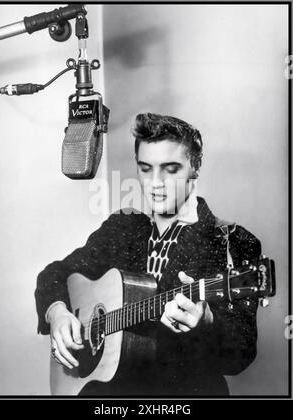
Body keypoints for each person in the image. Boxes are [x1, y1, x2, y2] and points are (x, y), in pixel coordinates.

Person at [35, 113, 261, 396]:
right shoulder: (122, 227)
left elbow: (241, 352)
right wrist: (57, 313)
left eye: (170, 169)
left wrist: (207, 323)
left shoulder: (231, 240)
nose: (156, 183)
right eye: (145, 168)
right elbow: (54, 274)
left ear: (195, 167)